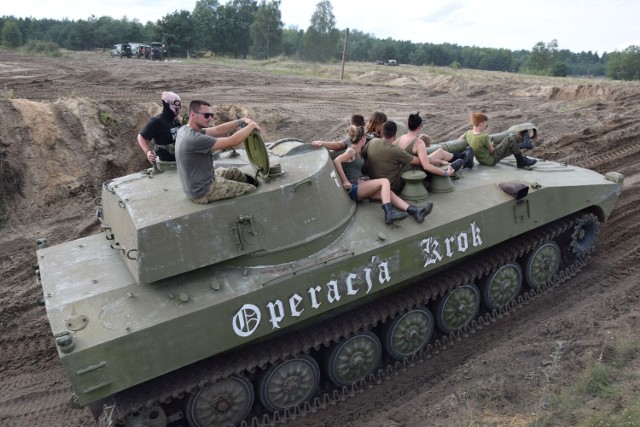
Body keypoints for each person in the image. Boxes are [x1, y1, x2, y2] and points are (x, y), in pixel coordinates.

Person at [334, 125, 433, 224]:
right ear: (363, 138)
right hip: (354, 188)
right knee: (384, 181)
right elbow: (337, 161)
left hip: (360, 184)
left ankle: (415, 211)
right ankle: (389, 213)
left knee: (387, 193)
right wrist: (345, 182)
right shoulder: (351, 151)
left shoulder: (359, 151)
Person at [175, 100, 260, 204]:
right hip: (203, 190)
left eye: (211, 115)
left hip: (200, 181)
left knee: (234, 172)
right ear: (192, 115)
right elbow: (233, 141)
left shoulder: (185, 130)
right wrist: (251, 126)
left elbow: (217, 130)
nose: (210, 118)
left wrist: (241, 121)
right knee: (251, 189)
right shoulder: (194, 139)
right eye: (206, 115)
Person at [394, 112, 470, 177]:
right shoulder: (419, 143)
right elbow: (426, 166)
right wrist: (446, 173)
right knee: (438, 163)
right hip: (414, 172)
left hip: (402, 170)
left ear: (408, 125)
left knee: (440, 152)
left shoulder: (399, 139)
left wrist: (439, 161)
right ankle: (462, 163)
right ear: (419, 127)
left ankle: (463, 157)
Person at [361, 121, 423, 194]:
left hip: (374, 182)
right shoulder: (396, 150)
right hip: (392, 186)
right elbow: (419, 161)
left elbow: (363, 155)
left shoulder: (373, 141)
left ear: (382, 132)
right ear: (395, 134)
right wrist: (429, 159)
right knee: (413, 166)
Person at [461, 113, 537, 168]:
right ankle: (523, 151)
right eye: (485, 124)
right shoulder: (484, 136)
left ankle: (522, 157)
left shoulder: (468, 133)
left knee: (512, 148)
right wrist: (492, 145)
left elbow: (460, 139)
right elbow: (492, 151)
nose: (486, 126)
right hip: (491, 160)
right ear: (481, 123)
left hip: (482, 161)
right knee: (510, 139)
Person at [137, 91, 183, 164]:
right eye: (177, 103)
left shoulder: (175, 120)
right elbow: (141, 136)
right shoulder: (157, 121)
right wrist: (147, 152)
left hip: (179, 160)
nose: (179, 107)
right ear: (168, 103)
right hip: (167, 164)